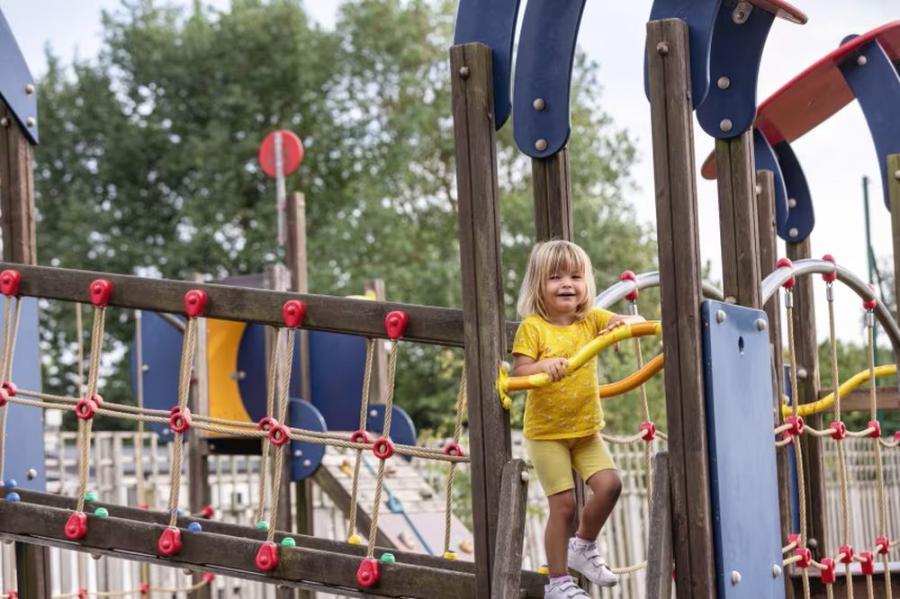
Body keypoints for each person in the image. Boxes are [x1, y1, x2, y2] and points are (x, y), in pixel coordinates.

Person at [511, 240, 643, 599]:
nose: (567, 283)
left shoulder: (590, 320)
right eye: (555, 277)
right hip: (547, 433)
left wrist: (620, 325)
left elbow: (635, 321)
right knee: (564, 506)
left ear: (586, 283)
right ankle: (558, 583)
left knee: (610, 485)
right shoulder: (533, 327)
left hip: (585, 431)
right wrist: (542, 366)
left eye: (575, 276)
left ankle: (582, 547)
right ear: (539, 286)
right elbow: (520, 370)